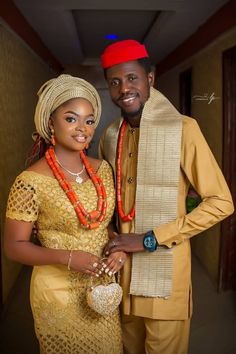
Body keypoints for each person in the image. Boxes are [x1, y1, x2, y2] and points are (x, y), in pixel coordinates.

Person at [98, 39, 234, 354]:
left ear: (151, 79)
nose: (124, 88)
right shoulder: (109, 135)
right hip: (122, 277)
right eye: (114, 82)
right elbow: (109, 199)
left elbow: (221, 202)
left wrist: (148, 239)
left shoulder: (184, 129)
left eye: (132, 78)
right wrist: (112, 235)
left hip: (164, 277)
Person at [4, 74, 126, 354]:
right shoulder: (30, 181)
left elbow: (101, 224)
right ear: (51, 123)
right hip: (58, 295)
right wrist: (69, 257)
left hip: (102, 287)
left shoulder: (102, 170)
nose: (82, 128)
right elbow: (14, 247)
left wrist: (118, 247)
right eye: (71, 119)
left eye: (89, 120)